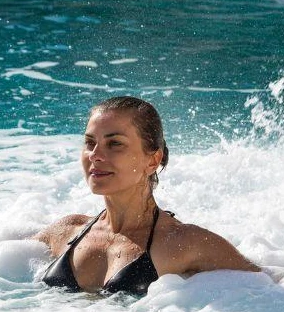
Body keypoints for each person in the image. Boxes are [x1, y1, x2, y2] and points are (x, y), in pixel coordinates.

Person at [34, 96, 262, 296]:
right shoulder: (67, 230)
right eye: (90, 142)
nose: (95, 155)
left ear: (152, 160)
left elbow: (270, 291)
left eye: (114, 143)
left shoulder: (183, 243)